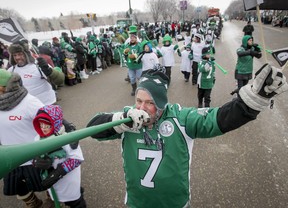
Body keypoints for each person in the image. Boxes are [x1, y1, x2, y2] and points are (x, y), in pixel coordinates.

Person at [86, 65, 288, 208]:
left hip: (174, 203)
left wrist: (252, 101)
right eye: (139, 101)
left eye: (150, 102)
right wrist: (122, 121)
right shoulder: (128, 117)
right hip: (137, 203)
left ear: (162, 103)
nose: (141, 108)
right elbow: (92, 128)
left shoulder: (180, 118)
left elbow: (218, 120)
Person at [0, 69, 45, 207]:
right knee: (18, 188)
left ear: (3, 87)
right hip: (10, 157)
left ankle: (52, 197)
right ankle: (34, 203)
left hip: (34, 155)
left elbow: (50, 123)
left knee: (48, 183)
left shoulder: (30, 102)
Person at [32, 105, 86, 208]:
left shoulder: (66, 138)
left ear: (55, 123)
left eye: (47, 126)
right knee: (58, 197)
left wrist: (57, 173)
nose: (43, 129)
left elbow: (77, 159)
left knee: (75, 201)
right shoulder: (37, 139)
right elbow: (32, 156)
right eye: (41, 125)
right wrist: (37, 162)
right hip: (53, 183)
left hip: (67, 179)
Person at [7, 40, 64, 105]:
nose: (17, 57)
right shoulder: (11, 70)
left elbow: (60, 80)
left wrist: (50, 72)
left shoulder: (39, 65)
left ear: (26, 55)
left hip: (47, 104)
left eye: (20, 54)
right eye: (15, 55)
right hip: (28, 107)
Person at [123, 25, 142, 96]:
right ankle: (134, 89)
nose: (132, 39)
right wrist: (125, 52)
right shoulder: (127, 45)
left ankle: (141, 90)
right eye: (131, 38)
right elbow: (124, 53)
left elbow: (141, 53)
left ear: (136, 38)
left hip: (138, 65)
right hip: (130, 66)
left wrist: (135, 56)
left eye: (133, 37)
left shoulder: (139, 45)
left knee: (139, 77)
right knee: (132, 78)